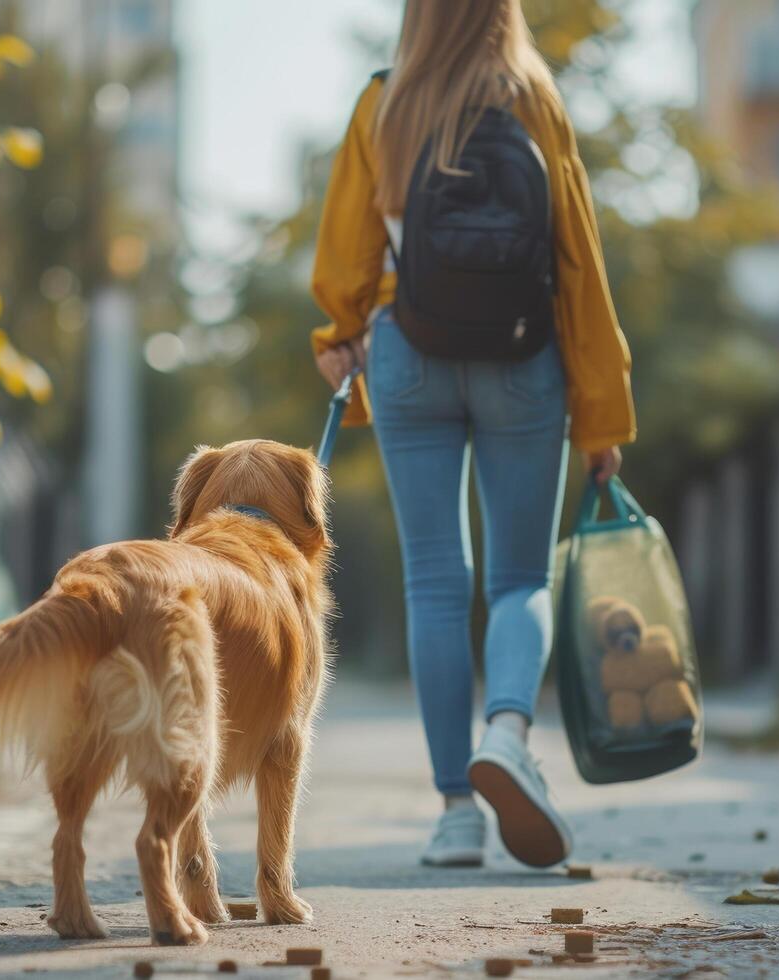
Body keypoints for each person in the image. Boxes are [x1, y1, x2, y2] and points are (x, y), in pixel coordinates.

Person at [309, 0, 635, 869]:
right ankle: (507, 735)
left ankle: (456, 809)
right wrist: (601, 411)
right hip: (524, 360)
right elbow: (578, 263)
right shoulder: (534, 97)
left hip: (407, 354)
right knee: (520, 576)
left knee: (434, 582)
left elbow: (346, 255)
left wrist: (339, 334)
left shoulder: (386, 100)